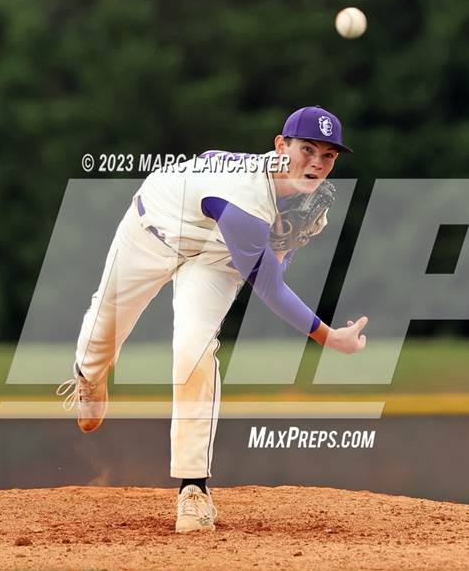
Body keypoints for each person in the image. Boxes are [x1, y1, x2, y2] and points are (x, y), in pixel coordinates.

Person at [57, 106, 368, 532]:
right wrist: (330, 338)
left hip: (216, 259)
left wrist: (283, 248)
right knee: (104, 330)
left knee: (194, 349)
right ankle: (89, 373)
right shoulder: (245, 194)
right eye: (307, 149)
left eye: (329, 156)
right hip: (155, 230)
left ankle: (193, 490)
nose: (317, 162)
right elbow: (270, 289)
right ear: (281, 146)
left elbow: (274, 266)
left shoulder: (312, 206)